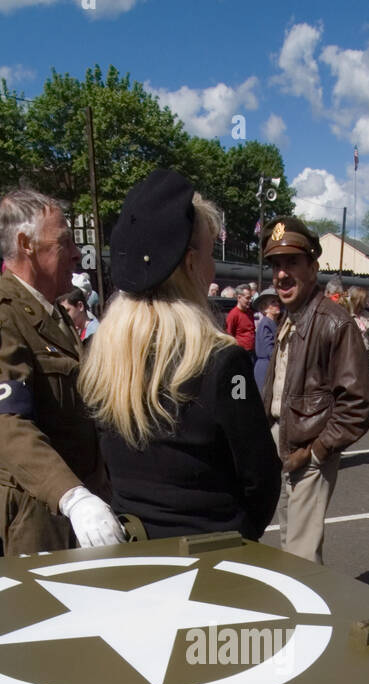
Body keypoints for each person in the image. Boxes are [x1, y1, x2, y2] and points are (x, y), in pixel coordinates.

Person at [79, 169, 280, 541]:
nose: (213, 267)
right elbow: (261, 479)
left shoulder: (99, 353)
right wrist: (236, 536)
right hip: (213, 563)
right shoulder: (222, 362)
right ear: (189, 264)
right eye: (207, 253)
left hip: (133, 554)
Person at [0, 187, 120, 556]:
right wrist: (72, 498)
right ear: (27, 244)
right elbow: (7, 425)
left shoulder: (53, 315)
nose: (74, 254)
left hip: (88, 504)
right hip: (44, 517)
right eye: (64, 242)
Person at [261, 216, 369, 564]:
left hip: (308, 448)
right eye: (276, 265)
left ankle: (309, 617)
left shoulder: (334, 322)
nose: (281, 274)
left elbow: (357, 405)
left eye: (292, 262)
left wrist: (316, 452)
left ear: (313, 266)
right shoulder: (290, 316)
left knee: (301, 556)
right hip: (285, 443)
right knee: (289, 543)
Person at [253, 289, 281, 393]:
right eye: (273, 302)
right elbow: (269, 350)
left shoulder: (273, 323)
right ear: (265, 308)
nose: (277, 304)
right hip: (265, 368)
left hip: (270, 365)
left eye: (277, 301)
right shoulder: (266, 323)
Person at [225, 283, 255, 361]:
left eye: (251, 298)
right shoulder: (233, 314)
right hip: (240, 353)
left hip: (251, 352)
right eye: (247, 298)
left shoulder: (250, 313)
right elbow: (229, 335)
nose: (250, 300)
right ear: (239, 297)